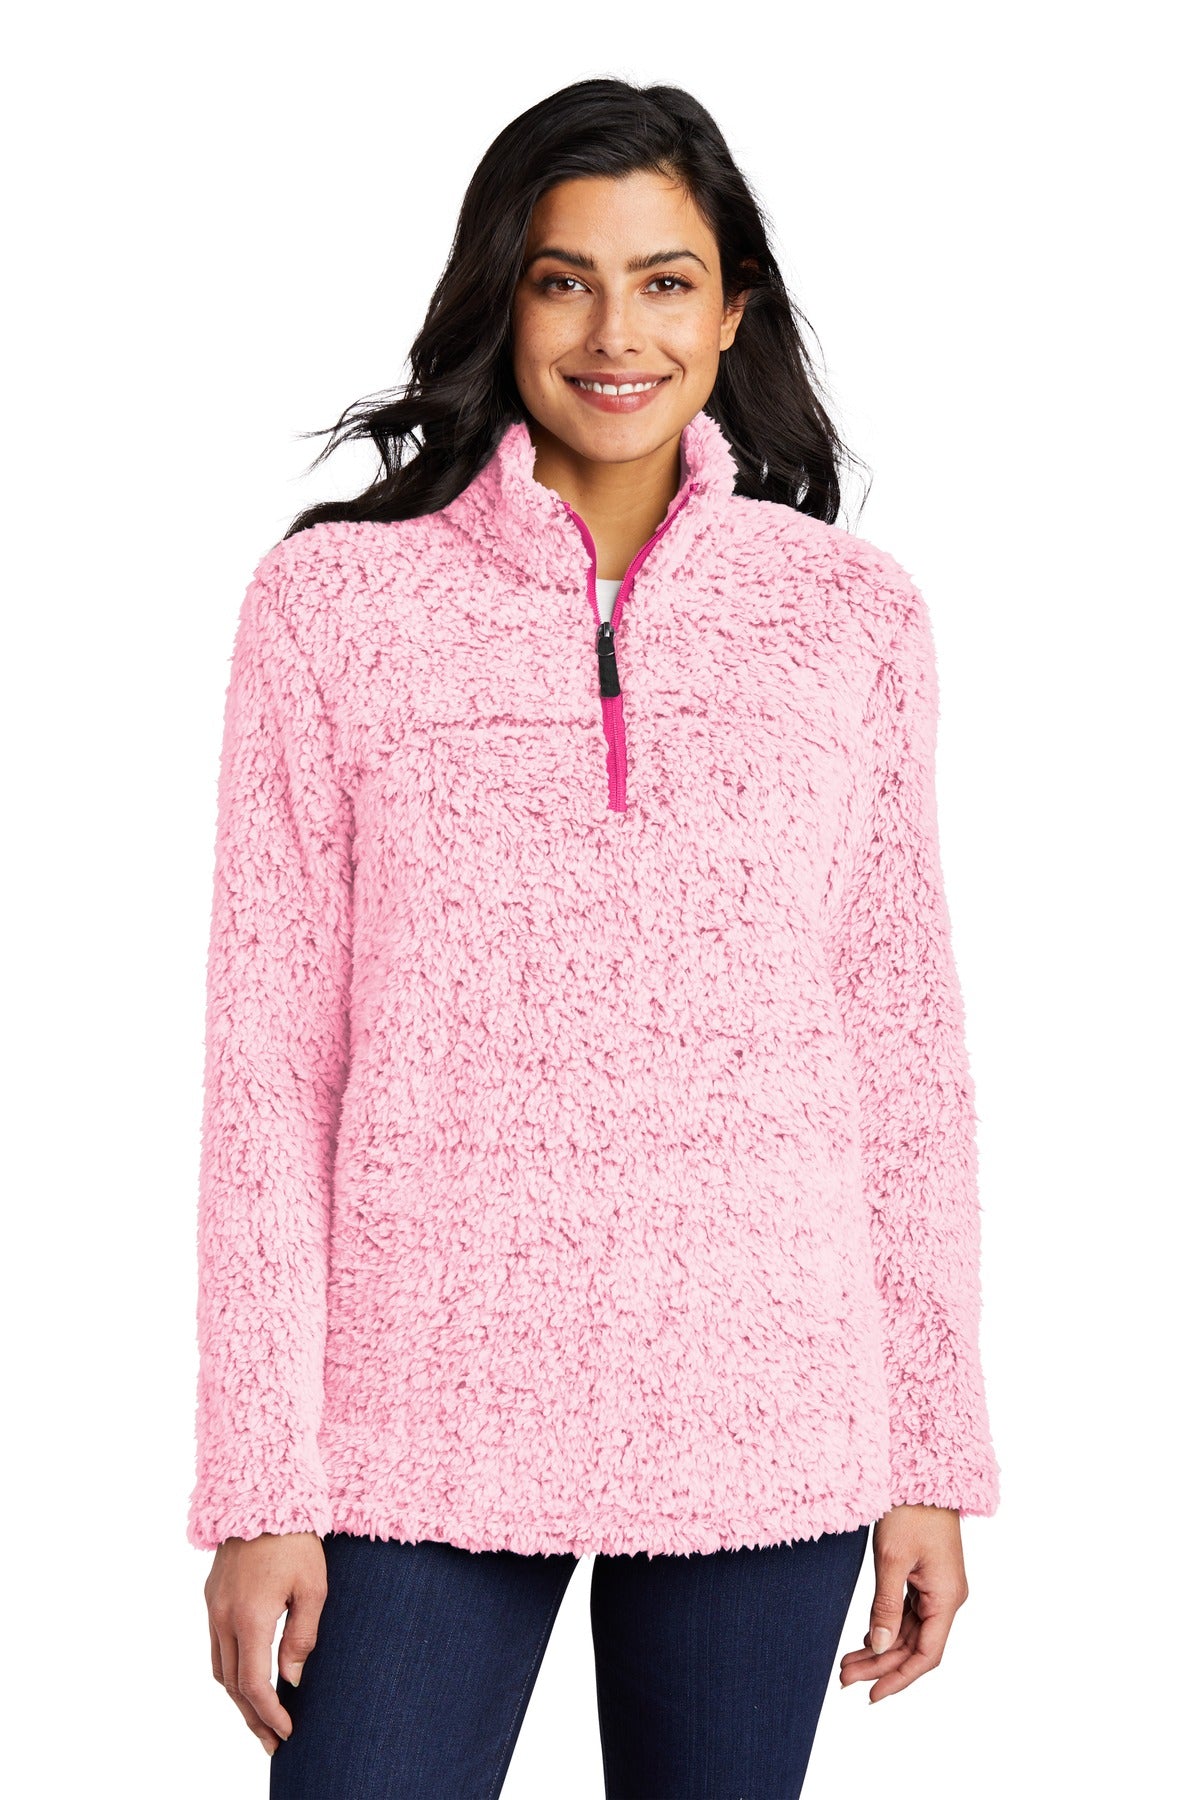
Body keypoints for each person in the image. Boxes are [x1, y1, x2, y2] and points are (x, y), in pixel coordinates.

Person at [190, 77, 1000, 1800]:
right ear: (503, 297)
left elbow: (902, 1050)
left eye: (664, 281)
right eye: (564, 280)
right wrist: (260, 1482)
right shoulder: (333, 606)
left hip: (766, 1404)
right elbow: (269, 1068)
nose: (614, 333)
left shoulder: (850, 620)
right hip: (417, 1416)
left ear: (733, 311)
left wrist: (930, 1451)